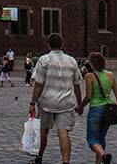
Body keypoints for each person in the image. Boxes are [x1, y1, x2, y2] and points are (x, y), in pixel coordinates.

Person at [30, 33, 84, 164]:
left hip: (46, 101)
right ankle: (66, 161)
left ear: (49, 45)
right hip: (66, 103)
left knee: (44, 131)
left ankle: (39, 157)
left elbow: (38, 84)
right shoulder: (71, 61)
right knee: (63, 132)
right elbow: (77, 85)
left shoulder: (44, 60)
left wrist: (32, 102)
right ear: (62, 44)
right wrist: (79, 103)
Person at [76, 51, 117, 164]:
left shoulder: (90, 76)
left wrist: (80, 107)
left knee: (92, 139)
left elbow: (88, 96)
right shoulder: (111, 75)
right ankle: (99, 161)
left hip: (96, 109)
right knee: (101, 138)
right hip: (108, 110)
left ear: (92, 64)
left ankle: (103, 155)